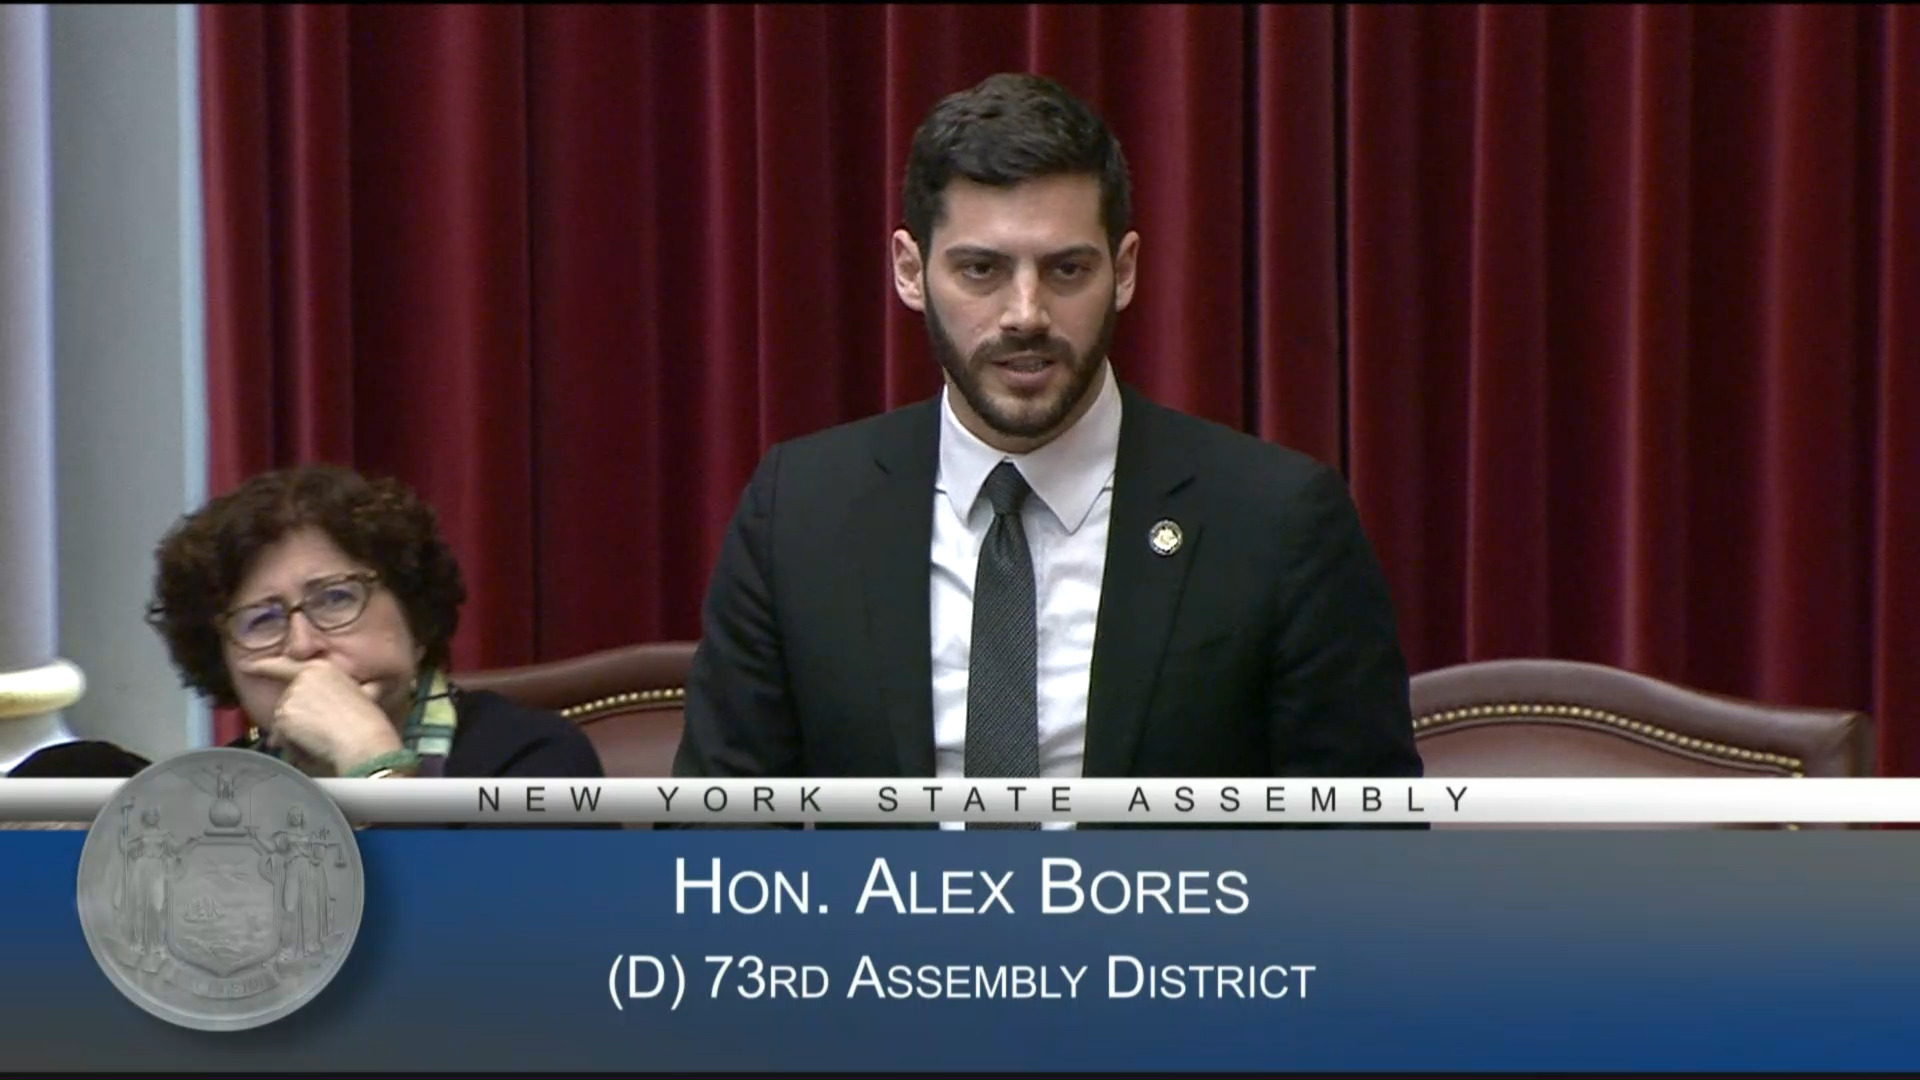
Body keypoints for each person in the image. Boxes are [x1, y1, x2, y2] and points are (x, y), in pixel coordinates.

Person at [671, 73, 1422, 826]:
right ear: (910, 271)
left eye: (1067, 270)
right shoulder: (800, 512)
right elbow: (713, 841)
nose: (1025, 314)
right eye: (981, 270)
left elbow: (1367, 850)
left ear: (1123, 271)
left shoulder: (1276, 521)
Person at [9, 465, 603, 781]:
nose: (302, 644)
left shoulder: (533, 759)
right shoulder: (218, 797)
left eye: (336, 599)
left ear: (417, 619)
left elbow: (490, 951)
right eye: (261, 621)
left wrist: (368, 755)